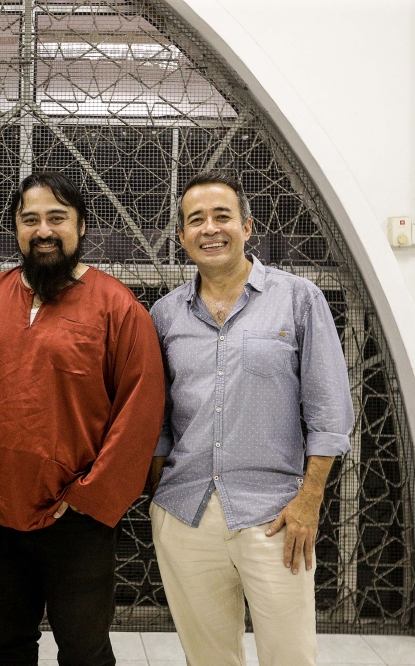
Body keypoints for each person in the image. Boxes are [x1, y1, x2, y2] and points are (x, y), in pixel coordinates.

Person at [0, 172, 164, 666]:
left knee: (84, 650)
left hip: (78, 515)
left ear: (82, 226)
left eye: (57, 218)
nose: (44, 230)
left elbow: (140, 408)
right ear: (15, 229)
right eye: (31, 219)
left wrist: (91, 496)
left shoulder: (118, 307)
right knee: (5, 644)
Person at [149, 172, 354, 666]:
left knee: (289, 656)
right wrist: (159, 492)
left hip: (275, 516)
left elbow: (329, 412)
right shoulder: (164, 315)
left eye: (222, 216)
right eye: (195, 220)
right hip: (185, 512)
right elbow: (154, 419)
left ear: (247, 226)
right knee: (209, 658)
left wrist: (309, 500)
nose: (210, 229)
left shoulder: (298, 299)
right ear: (182, 237)